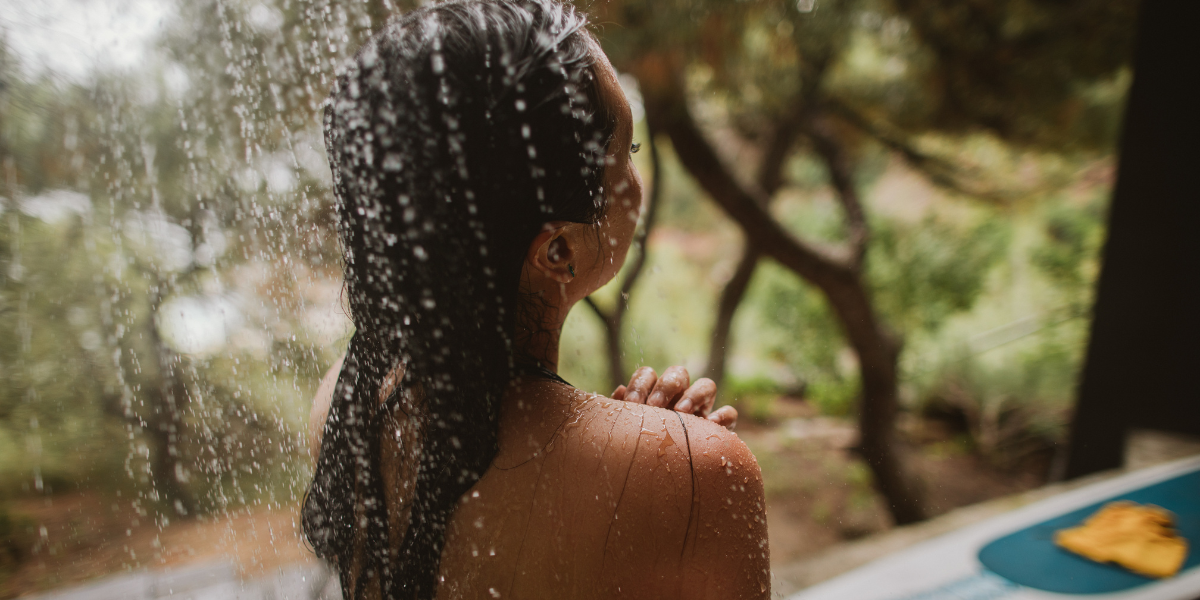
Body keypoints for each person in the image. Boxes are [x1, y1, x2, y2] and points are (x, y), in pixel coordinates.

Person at [303, 1, 769, 598]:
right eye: (625, 152)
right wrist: (675, 466)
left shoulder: (347, 410)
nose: (636, 180)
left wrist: (652, 453)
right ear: (556, 251)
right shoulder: (699, 474)